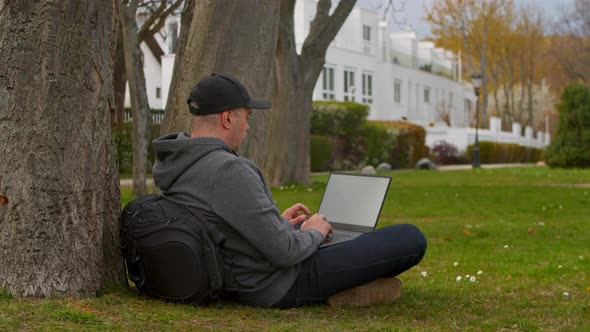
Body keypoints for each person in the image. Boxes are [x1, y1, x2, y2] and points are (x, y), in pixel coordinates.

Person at [152, 73, 426, 308]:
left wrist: (277, 224)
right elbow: (284, 252)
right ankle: (343, 289)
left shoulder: (178, 163)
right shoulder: (228, 169)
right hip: (275, 284)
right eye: (246, 117)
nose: (247, 127)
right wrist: (314, 232)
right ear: (227, 118)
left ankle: (351, 288)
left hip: (239, 275)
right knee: (409, 237)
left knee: (352, 241)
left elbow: (218, 225)